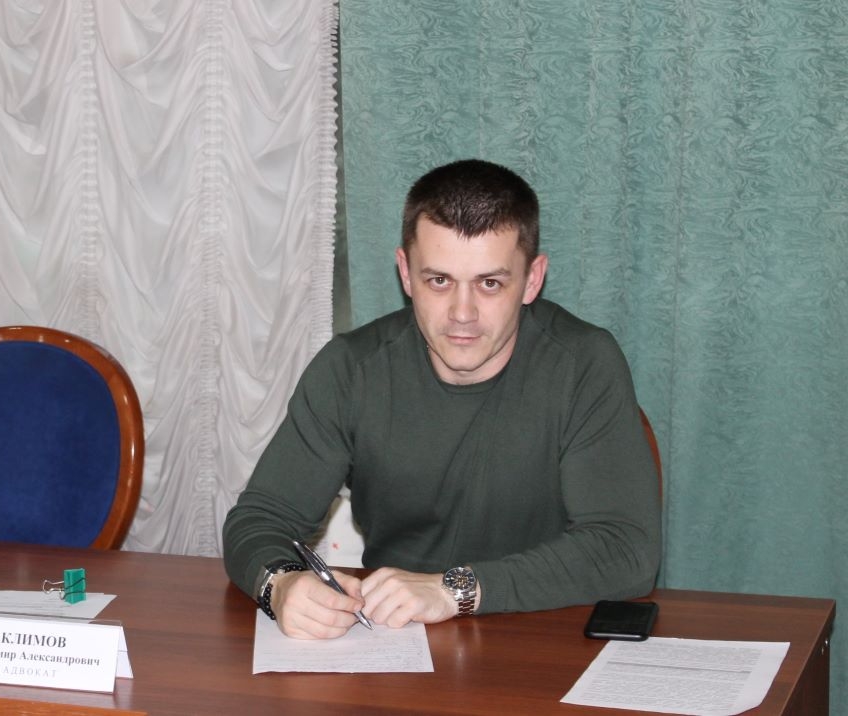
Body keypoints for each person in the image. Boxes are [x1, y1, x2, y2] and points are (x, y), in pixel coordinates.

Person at [222, 159, 661, 639]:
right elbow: (259, 520)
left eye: (490, 283)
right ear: (406, 274)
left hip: (542, 636)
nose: (462, 314)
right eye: (439, 281)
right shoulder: (351, 370)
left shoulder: (584, 364)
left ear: (532, 280)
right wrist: (281, 584)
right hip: (392, 637)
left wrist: (456, 589)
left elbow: (626, 550)